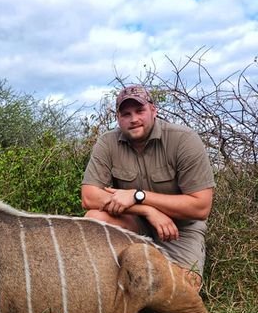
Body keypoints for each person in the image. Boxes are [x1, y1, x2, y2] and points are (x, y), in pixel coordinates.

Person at [81, 85, 215, 289]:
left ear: (154, 110)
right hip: (136, 224)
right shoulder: (107, 142)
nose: (133, 119)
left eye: (140, 111)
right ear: (118, 118)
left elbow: (200, 207)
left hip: (179, 230)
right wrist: (146, 210)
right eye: (126, 114)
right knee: (94, 220)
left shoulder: (183, 140)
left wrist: (139, 196)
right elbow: (89, 197)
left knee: (181, 295)